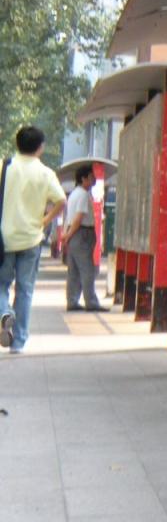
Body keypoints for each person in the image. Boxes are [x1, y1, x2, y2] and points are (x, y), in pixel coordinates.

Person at [0, 126, 67, 354]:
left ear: (17, 143)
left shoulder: (4, 167)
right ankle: (18, 342)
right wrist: (45, 220)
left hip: (4, 240)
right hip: (31, 239)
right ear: (41, 147)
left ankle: (3, 313)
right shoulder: (45, 173)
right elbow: (61, 201)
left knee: (1, 284)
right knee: (25, 290)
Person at [63, 163, 107, 312]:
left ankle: (72, 300)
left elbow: (69, 218)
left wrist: (67, 235)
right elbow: (78, 217)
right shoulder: (83, 194)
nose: (94, 179)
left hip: (74, 233)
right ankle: (91, 302)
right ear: (84, 178)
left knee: (74, 270)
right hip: (82, 233)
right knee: (87, 269)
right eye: (91, 176)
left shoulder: (74, 194)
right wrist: (69, 234)